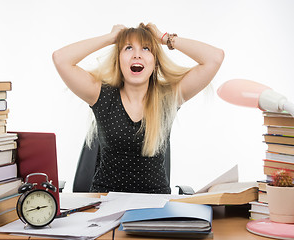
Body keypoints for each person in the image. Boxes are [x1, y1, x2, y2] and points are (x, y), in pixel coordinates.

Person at [52, 23, 224, 194]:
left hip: (154, 206)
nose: (137, 55)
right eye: (128, 48)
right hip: (104, 203)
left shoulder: (168, 97)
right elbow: (61, 58)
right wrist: (111, 38)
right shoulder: (100, 94)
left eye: (146, 49)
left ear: (155, 62)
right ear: (118, 60)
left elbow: (214, 58)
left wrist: (165, 38)